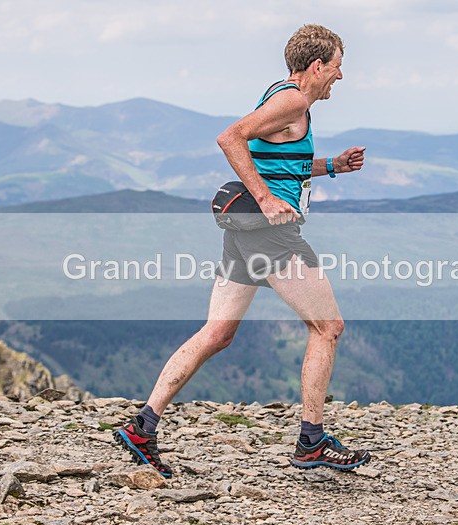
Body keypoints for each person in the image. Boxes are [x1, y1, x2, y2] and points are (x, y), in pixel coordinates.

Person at [114, 24, 370, 477]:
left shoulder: (284, 97)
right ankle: (311, 440)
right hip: (271, 233)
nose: (340, 76)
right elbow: (230, 137)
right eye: (336, 67)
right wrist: (269, 199)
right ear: (316, 66)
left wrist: (331, 166)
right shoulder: (291, 100)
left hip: (244, 230)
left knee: (217, 333)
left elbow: (276, 157)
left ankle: (142, 425)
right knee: (328, 327)